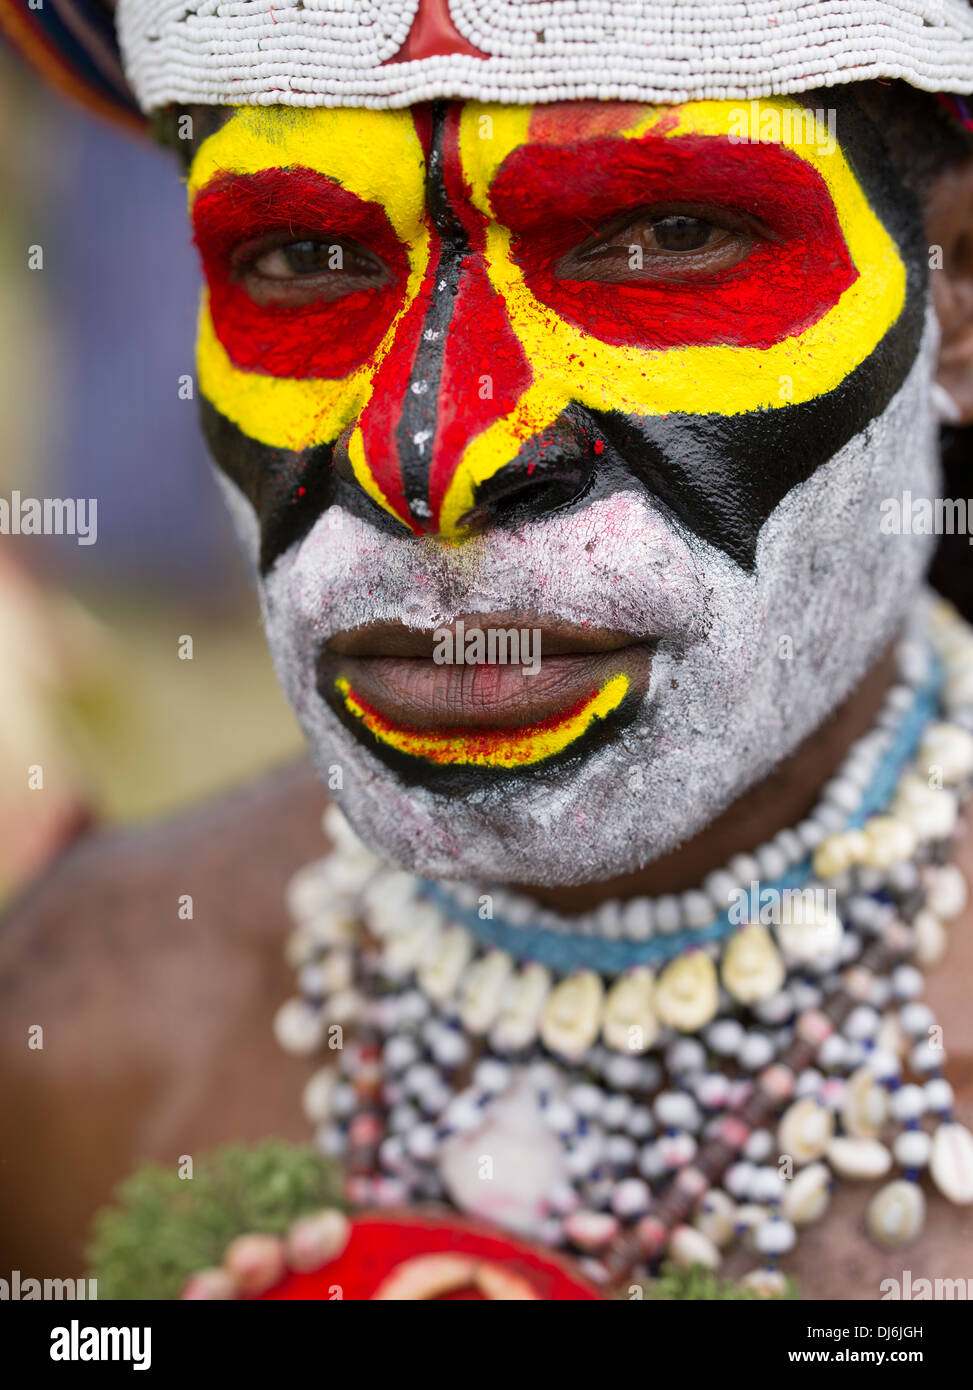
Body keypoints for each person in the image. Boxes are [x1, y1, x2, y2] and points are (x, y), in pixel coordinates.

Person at [3, 0, 973, 1299]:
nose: (438, 464)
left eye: (665, 236)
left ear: (953, 295)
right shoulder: (80, 1031)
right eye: (302, 254)